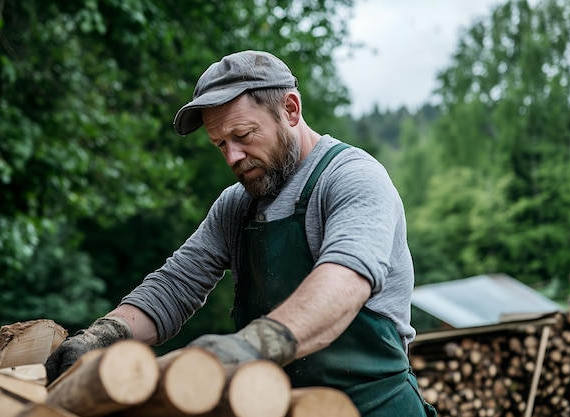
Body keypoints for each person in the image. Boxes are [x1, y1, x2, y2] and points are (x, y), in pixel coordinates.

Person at [45, 50, 436, 416]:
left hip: (375, 406)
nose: (232, 157)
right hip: (281, 405)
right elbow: (175, 285)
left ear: (291, 110)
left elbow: (343, 284)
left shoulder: (351, 178)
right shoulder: (237, 203)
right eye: (220, 145)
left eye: (244, 136)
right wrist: (106, 334)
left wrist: (250, 346)